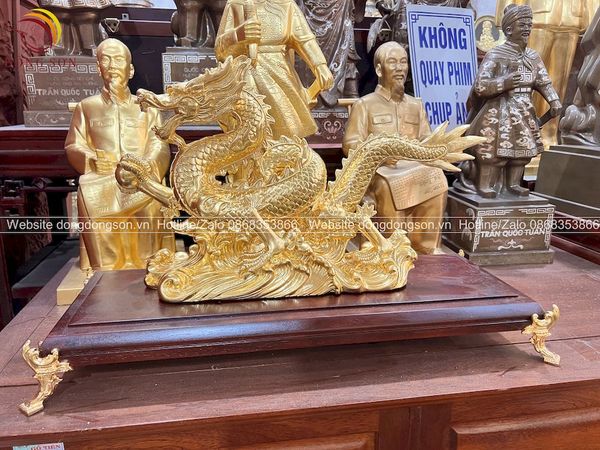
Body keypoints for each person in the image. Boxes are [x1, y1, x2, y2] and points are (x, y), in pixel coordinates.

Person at [66, 38, 174, 271]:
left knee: (150, 203)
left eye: (118, 59)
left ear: (131, 69)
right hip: (102, 179)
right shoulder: (87, 107)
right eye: (105, 60)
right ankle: (106, 272)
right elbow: (74, 145)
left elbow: (159, 143)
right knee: (92, 202)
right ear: (98, 68)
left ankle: (148, 267)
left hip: (141, 179)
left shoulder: (147, 107)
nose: (112, 65)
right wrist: (91, 159)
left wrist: (145, 167)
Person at [343, 41, 447, 254]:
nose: (400, 68)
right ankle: (391, 247)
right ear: (379, 69)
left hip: (414, 167)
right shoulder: (365, 104)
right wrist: (379, 155)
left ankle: (426, 245)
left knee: (437, 177)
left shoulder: (415, 105)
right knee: (386, 184)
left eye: (403, 62)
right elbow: (351, 143)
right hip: (379, 170)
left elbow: (426, 138)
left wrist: (436, 147)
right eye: (393, 62)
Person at [455, 4, 561, 198]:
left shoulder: (533, 57)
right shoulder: (496, 55)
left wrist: (553, 100)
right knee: (492, 153)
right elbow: (480, 86)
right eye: (522, 24)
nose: (527, 28)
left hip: (524, 109)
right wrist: (505, 82)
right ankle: (484, 184)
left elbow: (544, 82)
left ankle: (512, 184)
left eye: (529, 24)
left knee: (522, 152)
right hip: (499, 111)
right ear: (509, 29)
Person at [214, 0, 333, 139]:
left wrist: (320, 65)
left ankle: (283, 149)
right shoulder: (236, 4)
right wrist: (237, 35)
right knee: (249, 127)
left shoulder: (287, 5)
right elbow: (220, 51)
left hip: (280, 73)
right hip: (246, 74)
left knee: (289, 126)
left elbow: (305, 40)